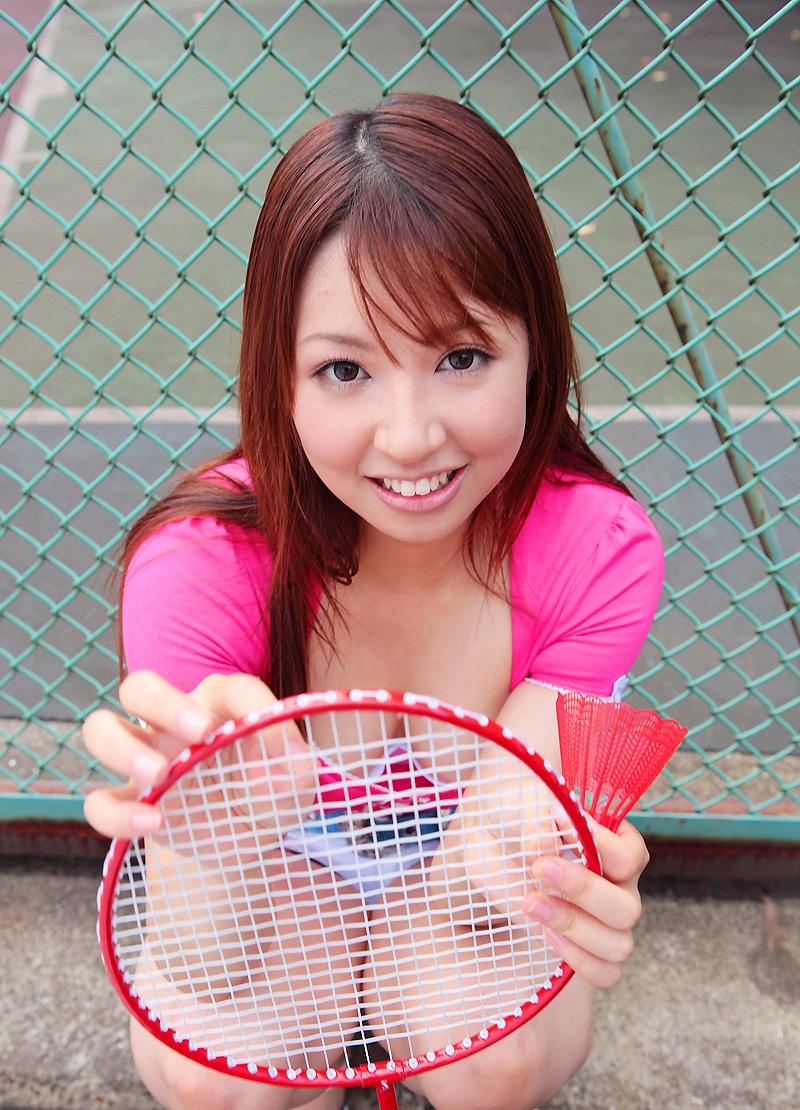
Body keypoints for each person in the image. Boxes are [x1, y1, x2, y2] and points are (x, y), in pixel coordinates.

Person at [83, 92, 663, 1110]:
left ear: (536, 348)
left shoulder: (597, 551)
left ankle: (395, 1018)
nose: (408, 437)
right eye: (344, 369)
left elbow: (490, 875)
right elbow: (204, 959)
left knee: (494, 1063)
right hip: (273, 894)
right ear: (280, 377)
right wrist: (216, 846)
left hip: (445, 894)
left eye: (460, 358)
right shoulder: (199, 563)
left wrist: (543, 877)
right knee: (223, 1081)